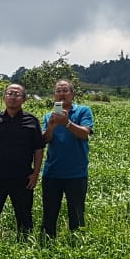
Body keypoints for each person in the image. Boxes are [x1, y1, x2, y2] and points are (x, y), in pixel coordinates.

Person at [0, 83, 44, 240]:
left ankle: (24, 245)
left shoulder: (32, 122)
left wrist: (36, 173)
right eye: (10, 94)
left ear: (24, 99)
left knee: (24, 215)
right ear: (4, 97)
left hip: (22, 178)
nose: (13, 97)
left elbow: (38, 150)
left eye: (17, 94)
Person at [40, 79, 94, 238]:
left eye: (65, 91)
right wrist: (50, 128)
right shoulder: (50, 115)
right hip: (52, 173)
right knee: (49, 214)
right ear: (54, 95)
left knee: (76, 215)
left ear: (73, 94)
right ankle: (46, 245)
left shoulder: (83, 111)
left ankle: (77, 246)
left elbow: (84, 134)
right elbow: (45, 140)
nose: (61, 94)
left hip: (76, 174)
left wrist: (67, 123)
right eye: (58, 91)